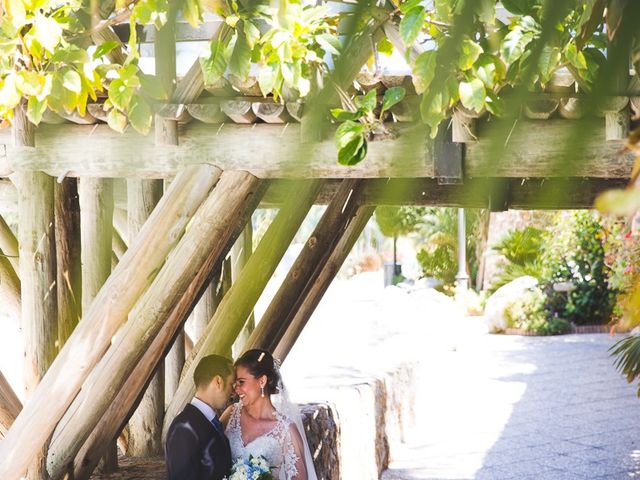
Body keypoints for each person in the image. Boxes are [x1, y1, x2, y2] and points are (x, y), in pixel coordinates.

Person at [221, 349, 317, 480]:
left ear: (262, 381)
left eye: (241, 382)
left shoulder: (286, 430)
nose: (236, 389)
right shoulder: (231, 415)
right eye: (235, 383)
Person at [165, 354, 235, 480]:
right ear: (218, 382)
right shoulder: (184, 428)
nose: (233, 392)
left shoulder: (210, 421)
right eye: (231, 384)